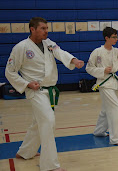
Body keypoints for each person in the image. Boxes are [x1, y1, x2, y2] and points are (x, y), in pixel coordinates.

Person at [5, 17, 84, 171]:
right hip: (36, 91)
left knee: (38, 123)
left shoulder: (48, 43)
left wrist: (73, 60)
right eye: (42, 28)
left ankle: (25, 152)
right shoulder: (21, 47)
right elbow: (10, 71)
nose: (46, 31)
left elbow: (60, 52)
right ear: (32, 29)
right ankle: (50, 165)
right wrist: (26, 83)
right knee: (48, 121)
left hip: (50, 90)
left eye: (47, 28)